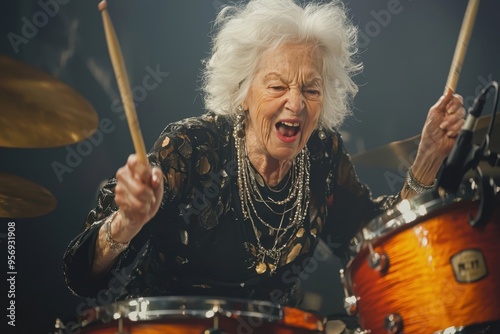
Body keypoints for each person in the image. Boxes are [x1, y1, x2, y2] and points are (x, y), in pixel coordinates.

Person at [64, 0, 464, 318]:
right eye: (277, 85)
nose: (295, 103)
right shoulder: (192, 146)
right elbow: (84, 278)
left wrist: (426, 160)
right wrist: (127, 223)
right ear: (243, 90)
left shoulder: (322, 153)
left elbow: (377, 245)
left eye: (311, 89)